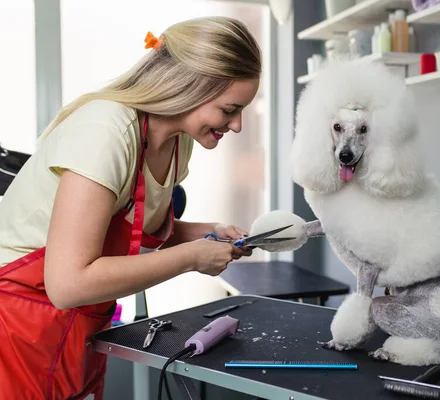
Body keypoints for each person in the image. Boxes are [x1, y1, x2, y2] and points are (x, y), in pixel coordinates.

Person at [0, 16, 261, 399]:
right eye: (229, 110)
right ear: (190, 88)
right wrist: (192, 257)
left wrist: (208, 233)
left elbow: (132, 229)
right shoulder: (105, 132)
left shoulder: (176, 142)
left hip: (81, 323)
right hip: (21, 322)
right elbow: (68, 283)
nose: (237, 125)